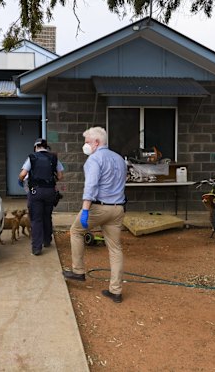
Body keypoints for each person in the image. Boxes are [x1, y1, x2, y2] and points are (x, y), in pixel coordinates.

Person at [63, 127, 127, 303]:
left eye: (87, 142)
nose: (85, 145)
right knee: (115, 249)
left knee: (76, 231)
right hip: (118, 208)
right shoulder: (119, 158)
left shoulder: (94, 159)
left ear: (97, 143)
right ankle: (116, 290)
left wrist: (85, 209)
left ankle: (78, 271)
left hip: (99, 208)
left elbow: (91, 186)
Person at [19, 138, 64, 256]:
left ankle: (37, 248)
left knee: (36, 219)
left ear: (35, 147)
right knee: (47, 216)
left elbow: (23, 174)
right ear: (46, 147)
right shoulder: (54, 157)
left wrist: (20, 181)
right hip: (50, 192)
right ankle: (47, 240)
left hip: (35, 192)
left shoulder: (32, 157)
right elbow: (60, 176)